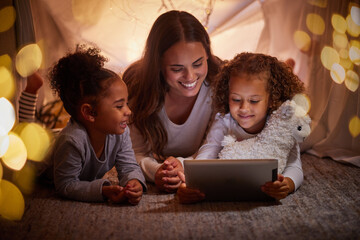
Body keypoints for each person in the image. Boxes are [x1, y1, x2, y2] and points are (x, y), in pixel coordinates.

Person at [177, 52, 306, 203]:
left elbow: (295, 165)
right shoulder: (224, 120)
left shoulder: (282, 124)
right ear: (227, 95)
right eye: (236, 99)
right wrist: (194, 181)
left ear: (272, 99)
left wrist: (288, 184)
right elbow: (209, 150)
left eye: (254, 101)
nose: (244, 108)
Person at [122, 10, 222, 192]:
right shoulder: (139, 88)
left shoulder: (219, 86)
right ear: (158, 63)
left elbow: (218, 146)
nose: (190, 76)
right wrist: (157, 171)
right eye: (177, 68)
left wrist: (184, 165)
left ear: (207, 52)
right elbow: (133, 152)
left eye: (198, 64)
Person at [41, 45, 146, 204]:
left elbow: (129, 167)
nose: (129, 111)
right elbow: (66, 184)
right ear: (89, 113)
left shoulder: (121, 133)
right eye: (119, 106)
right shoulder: (72, 141)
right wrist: (102, 190)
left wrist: (134, 182)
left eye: (126, 103)